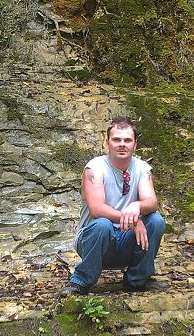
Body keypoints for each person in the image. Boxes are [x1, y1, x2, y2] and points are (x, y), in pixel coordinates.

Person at [60, 115, 165, 296]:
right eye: (116, 139)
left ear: (135, 144)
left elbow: (152, 202)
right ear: (107, 142)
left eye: (127, 140)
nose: (122, 144)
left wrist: (137, 206)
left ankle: (137, 279)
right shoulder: (94, 168)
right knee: (102, 224)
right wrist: (134, 221)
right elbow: (96, 209)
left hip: (126, 241)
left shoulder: (142, 169)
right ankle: (81, 282)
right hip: (94, 241)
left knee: (155, 220)